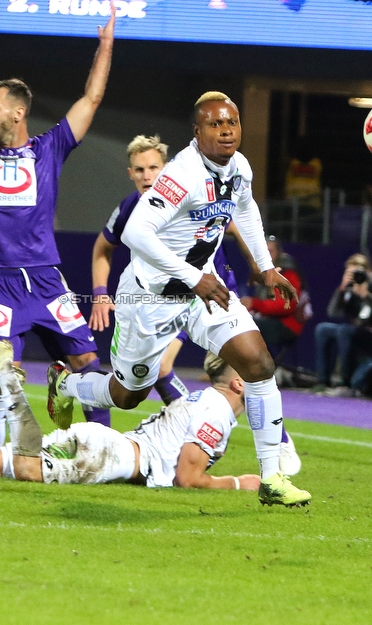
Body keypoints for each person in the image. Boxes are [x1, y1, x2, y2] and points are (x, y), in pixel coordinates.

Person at [47, 91, 310, 507]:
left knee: (258, 364)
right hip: (150, 298)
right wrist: (193, 277)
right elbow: (135, 234)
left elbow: (245, 210)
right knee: (128, 394)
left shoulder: (239, 167)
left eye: (232, 123)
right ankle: (68, 385)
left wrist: (264, 265)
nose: (226, 131)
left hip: (199, 294)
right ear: (197, 132)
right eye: (215, 124)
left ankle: (272, 478)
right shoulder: (180, 175)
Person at [0, 0, 115, 426]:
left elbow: (90, 99)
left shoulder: (50, 148)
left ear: (18, 114)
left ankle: (101, 451)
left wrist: (105, 47)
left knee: (89, 365)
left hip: (46, 280)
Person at [0, 337, 275, 498]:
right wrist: (238, 483)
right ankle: (7, 382)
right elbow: (187, 479)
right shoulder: (217, 411)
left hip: (104, 446)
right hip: (107, 457)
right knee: (27, 469)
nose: (265, 383)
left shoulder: (203, 400)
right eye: (258, 377)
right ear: (237, 383)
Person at [90, 135, 189, 405]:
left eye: (154, 168)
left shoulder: (187, 199)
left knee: (246, 366)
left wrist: (259, 265)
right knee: (133, 389)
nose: (147, 176)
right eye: (140, 169)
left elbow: (233, 222)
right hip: (167, 301)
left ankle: (279, 444)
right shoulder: (129, 207)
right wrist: (100, 294)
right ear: (130, 173)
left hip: (210, 294)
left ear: (166, 168)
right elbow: (102, 249)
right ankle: (188, 432)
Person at [313, 253, 372, 397]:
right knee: (323, 329)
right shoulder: (350, 287)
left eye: (357, 273)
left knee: (344, 331)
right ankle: (323, 381)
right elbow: (333, 312)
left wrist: (367, 297)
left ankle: (344, 381)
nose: (354, 277)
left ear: (368, 271)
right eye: (350, 273)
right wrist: (342, 289)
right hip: (354, 330)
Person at [242, 235, 311, 362]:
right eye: (264, 251)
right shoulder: (263, 272)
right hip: (269, 320)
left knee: (245, 327)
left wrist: (255, 304)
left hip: (287, 326)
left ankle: (251, 369)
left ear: (279, 253)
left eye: (270, 251)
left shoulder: (289, 272)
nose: (266, 255)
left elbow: (286, 305)